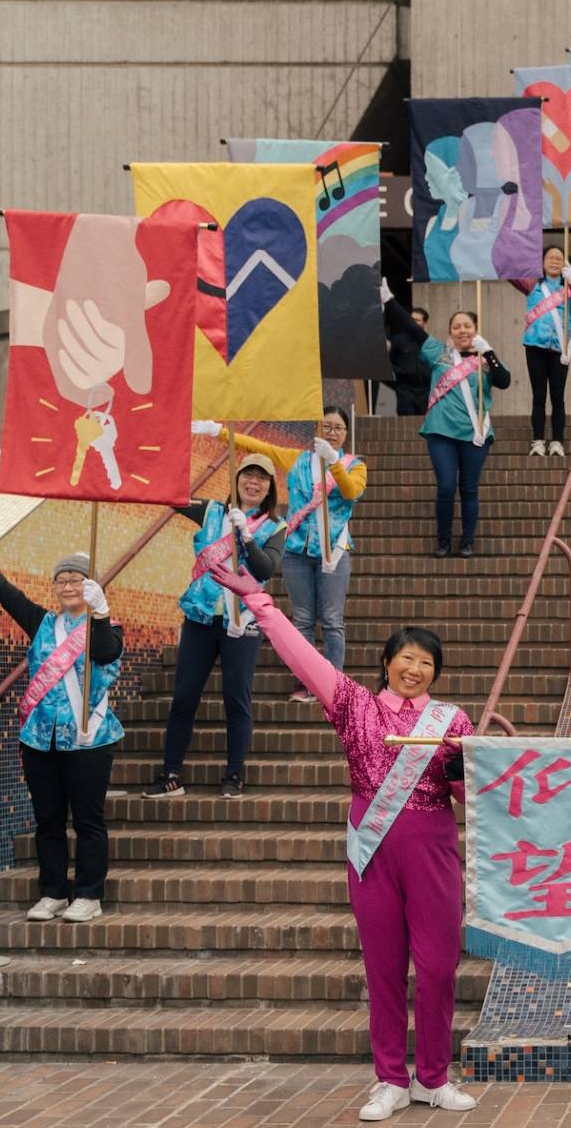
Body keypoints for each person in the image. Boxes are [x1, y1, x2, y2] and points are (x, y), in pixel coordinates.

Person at [199, 556, 478, 1122]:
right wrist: (259, 600)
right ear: (386, 662)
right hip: (372, 851)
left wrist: (461, 765)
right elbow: (302, 656)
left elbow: (473, 800)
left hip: (433, 851)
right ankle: (390, 1080)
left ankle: (434, 1077)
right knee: (382, 966)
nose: (415, 670)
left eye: (427, 663)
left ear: (436, 673)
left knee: (439, 966)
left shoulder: (453, 721)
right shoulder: (355, 705)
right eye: (407, 659)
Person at [0, 527, 123, 923]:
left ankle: (89, 895)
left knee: (88, 820)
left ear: (92, 587)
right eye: (62, 580)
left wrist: (100, 613)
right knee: (47, 819)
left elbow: (105, 653)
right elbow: (4, 592)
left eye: (77, 579)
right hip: (40, 740)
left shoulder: (107, 628)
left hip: (89, 738)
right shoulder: (41, 623)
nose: (68, 586)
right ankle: (53, 892)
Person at [194, 408, 367, 702]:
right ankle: (306, 683)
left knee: (332, 620)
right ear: (316, 429)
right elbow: (257, 447)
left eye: (338, 428)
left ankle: (334, 687)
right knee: (301, 619)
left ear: (346, 434)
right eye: (326, 426)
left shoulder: (354, 465)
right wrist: (219, 431)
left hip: (333, 551)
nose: (332, 432)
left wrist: (335, 463)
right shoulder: (297, 459)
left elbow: (351, 493)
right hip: (296, 549)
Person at [143, 455, 286, 800]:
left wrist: (246, 537)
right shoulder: (210, 512)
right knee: (185, 696)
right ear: (236, 480)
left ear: (269, 486)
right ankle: (171, 774)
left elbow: (266, 569)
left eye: (261, 479)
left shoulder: (275, 526)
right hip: (200, 617)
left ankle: (234, 775)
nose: (254, 483)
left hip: (242, 623)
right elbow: (171, 496)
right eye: (248, 476)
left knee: (237, 699)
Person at [388, 298, 511, 559]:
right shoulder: (438, 352)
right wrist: (388, 300)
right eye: (457, 326)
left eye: (467, 325)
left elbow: (505, 382)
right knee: (445, 486)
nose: (462, 330)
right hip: (441, 431)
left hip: (475, 432)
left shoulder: (485, 358)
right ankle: (443, 539)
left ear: (476, 329)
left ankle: (467, 540)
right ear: (450, 332)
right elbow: (412, 328)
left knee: (469, 487)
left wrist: (489, 353)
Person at [511, 245, 571, 456]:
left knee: (557, 396)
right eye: (550, 258)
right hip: (535, 345)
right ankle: (537, 440)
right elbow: (510, 272)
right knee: (538, 395)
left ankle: (557, 441)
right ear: (542, 262)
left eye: (559, 258)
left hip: (559, 348)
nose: (555, 261)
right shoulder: (532, 284)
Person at [385, 303, 432, 417]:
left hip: (426, 391)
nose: (412, 323)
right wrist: (400, 373)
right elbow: (388, 364)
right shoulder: (398, 341)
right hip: (405, 390)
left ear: (424, 323)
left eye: (417, 320)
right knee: (405, 423)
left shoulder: (429, 343)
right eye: (411, 320)